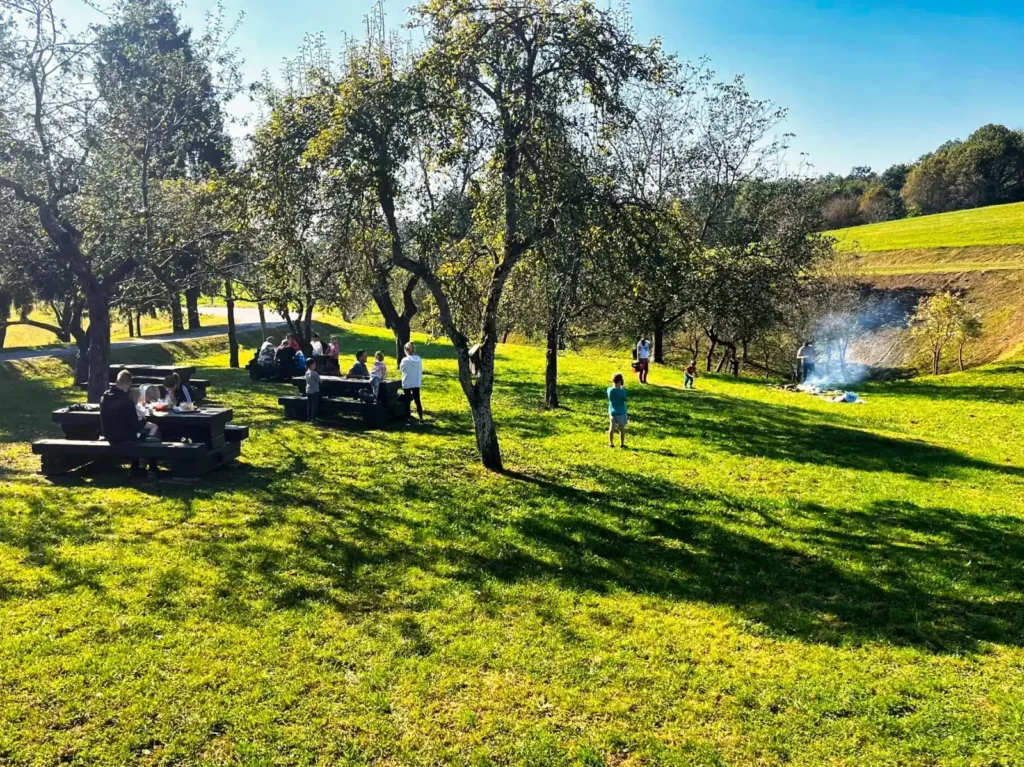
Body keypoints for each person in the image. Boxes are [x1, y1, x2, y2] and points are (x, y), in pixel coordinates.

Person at [399, 342, 424, 423]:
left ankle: (408, 419)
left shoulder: (404, 360)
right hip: (416, 382)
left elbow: (402, 369)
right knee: (417, 400)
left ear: (406, 350)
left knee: (407, 401)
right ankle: (421, 418)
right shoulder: (419, 359)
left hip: (407, 382)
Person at [607, 372, 629, 448]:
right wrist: (622, 388)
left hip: (612, 412)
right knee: (621, 428)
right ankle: (622, 443)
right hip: (621, 411)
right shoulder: (623, 392)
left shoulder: (609, 390)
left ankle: (611, 443)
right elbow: (624, 399)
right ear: (620, 381)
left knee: (611, 427)